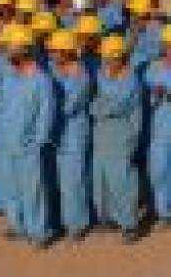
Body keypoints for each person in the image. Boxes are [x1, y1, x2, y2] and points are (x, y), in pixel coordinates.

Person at [0, 24, 56, 247]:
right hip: (9, 140)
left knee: (33, 190)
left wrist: (38, 141)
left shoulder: (41, 80)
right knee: (12, 186)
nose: (7, 53)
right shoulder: (11, 77)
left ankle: (38, 232)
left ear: (23, 51)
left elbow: (46, 113)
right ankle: (17, 225)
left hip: (29, 145)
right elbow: (5, 107)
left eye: (11, 49)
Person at [91, 35, 143, 243]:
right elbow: (97, 102)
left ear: (120, 57)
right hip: (102, 131)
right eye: (104, 58)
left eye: (109, 58)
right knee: (101, 178)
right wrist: (97, 106)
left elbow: (114, 105)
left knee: (121, 180)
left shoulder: (130, 80)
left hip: (121, 132)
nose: (105, 62)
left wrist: (97, 107)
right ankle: (109, 218)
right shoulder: (103, 73)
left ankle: (129, 224)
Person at [46, 29, 93, 240]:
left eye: (56, 51)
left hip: (74, 133)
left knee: (74, 180)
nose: (52, 55)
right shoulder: (55, 70)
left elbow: (69, 106)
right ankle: (63, 220)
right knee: (58, 179)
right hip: (58, 132)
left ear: (67, 51)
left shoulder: (81, 76)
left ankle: (77, 224)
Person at [146, 25, 171, 226]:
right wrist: (156, 95)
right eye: (168, 45)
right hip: (161, 126)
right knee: (160, 170)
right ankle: (164, 212)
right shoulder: (153, 68)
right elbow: (147, 97)